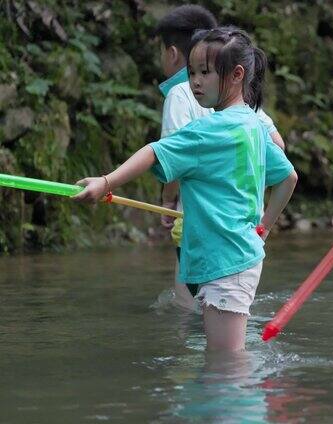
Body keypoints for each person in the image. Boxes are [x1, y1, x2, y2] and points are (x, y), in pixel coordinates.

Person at [74, 27, 297, 352]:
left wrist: (106, 182)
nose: (195, 81)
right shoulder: (252, 125)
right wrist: (264, 227)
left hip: (226, 262)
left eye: (205, 73)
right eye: (191, 72)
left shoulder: (207, 131)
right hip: (238, 256)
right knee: (223, 359)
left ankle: (253, 397)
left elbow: (154, 150)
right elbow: (288, 178)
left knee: (226, 366)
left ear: (236, 75)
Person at [153, 5, 286, 311]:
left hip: (196, 223)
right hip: (241, 232)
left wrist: (167, 204)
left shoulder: (180, 94)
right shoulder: (240, 102)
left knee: (187, 307)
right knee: (226, 306)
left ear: (173, 54)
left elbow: (171, 154)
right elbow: (277, 145)